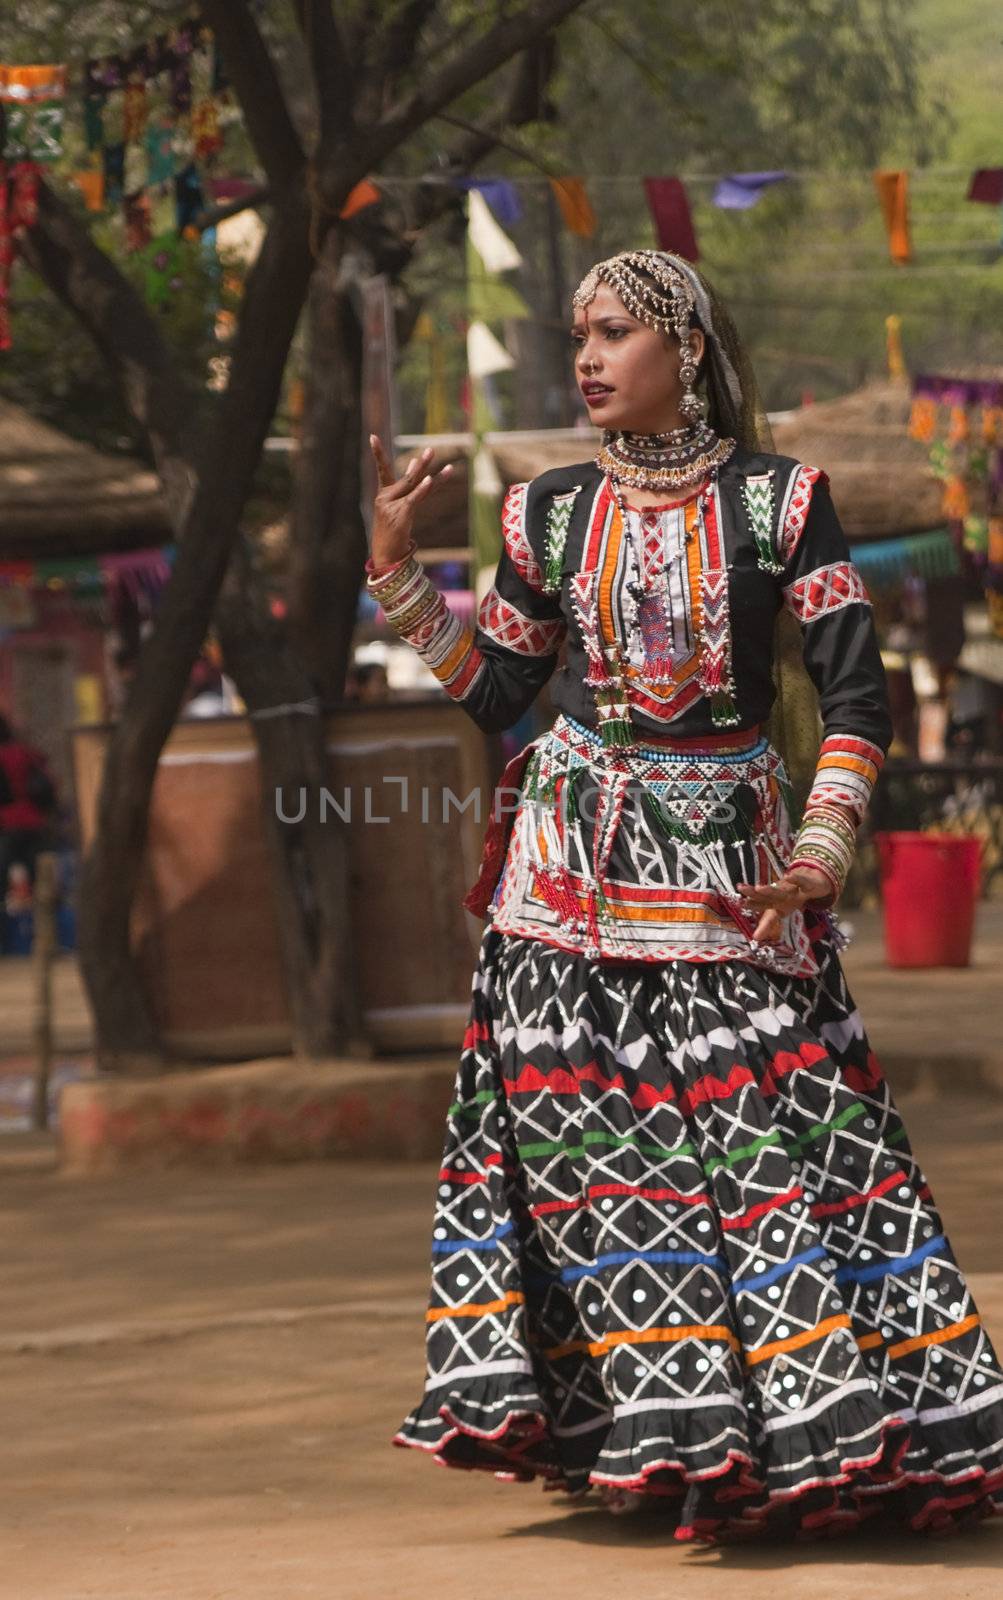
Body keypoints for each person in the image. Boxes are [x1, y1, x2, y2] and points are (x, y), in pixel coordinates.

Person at [364, 250, 1003, 1541]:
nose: (586, 359)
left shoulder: (779, 503)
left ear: (685, 350)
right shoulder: (543, 511)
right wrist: (393, 574)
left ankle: (813, 1436)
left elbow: (855, 700)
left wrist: (818, 863)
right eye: (576, 336)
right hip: (563, 892)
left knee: (769, 1164)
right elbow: (498, 692)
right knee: (600, 1171)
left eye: (611, 334)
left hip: (736, 887)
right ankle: (671, 1444)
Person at [0, 714, 58, 891]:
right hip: (35, 823)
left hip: (7, 827)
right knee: (40, 886)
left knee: (10, 889)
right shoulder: (26, 752)